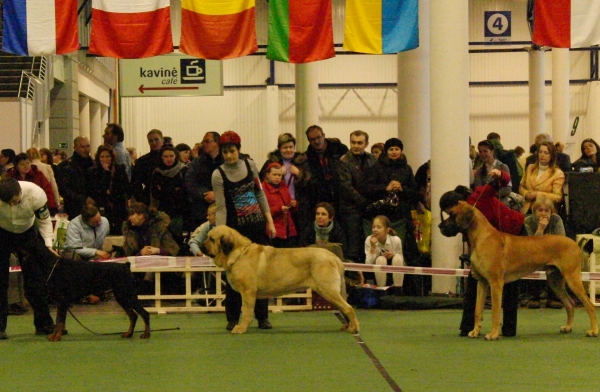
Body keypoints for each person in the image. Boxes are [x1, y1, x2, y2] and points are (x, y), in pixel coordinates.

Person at [440, 169, 523, 337]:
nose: (450, 217)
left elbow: (503, 181)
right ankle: (469, 326)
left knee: (509, 284)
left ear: (459, 203)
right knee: (475, 280)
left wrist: (499, 173)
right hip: (491, 242)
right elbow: (473, 238)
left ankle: (508, 329)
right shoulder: (464, 217)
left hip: (513, 231)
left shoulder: (477, 197)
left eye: (451, 213)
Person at [211, 131, 276, 331]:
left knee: (261, 274)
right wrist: (220, 234)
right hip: (235, 232)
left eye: (232, 151)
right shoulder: (218, 175)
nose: (229, 156)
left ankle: (262, 317)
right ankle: (232, 318)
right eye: (225, 152)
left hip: (257, 228)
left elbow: (259, 193)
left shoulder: (251, 166)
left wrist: (270, 221)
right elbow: (221, 207)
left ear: (239, 149)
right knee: (234, 275)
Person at [0, 178, 60, 339]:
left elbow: (44, 221)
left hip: (27, 233)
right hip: (2, 232)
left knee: (35, 280)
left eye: (14, 201)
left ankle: (44, 324)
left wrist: (48, 245)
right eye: (8, 203)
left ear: (20, 192)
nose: (12, 205)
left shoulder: (36, 194)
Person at [363, 137, 420, 267]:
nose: (394, 152)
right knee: (380, 255)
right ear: (386, 151)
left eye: (397, 149)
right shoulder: (377, 167)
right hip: (383, 214)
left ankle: (401, 285)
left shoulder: (407, 169)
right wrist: (385, 188)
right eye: (391, 149)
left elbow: (415, 193)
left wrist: (402, 188)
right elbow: (367, 188)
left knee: (400, 252)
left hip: (401, 216)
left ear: (401, 151)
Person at [338, 130, 377, 262]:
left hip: (369, 208)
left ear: (366, 144)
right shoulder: (344, 161)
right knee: (353, 248)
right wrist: (365, 202)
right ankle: (353, 279)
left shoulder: (372, 159)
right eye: (353, 142)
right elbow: (346, 188)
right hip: (351, 210)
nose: (356, 146)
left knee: (370, 246)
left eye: (360, 143)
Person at [523, 197, 565, 309]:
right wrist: (540, 229)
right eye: (540, 210)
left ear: (551, 212)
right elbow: (531, 246)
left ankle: (554, 298)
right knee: (531, 262)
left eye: (547, 211)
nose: (544, 213)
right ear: (534, 211)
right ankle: (533, 297)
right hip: (533, 254)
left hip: (553, 254)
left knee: (557, 266)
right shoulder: (528, 221)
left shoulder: (556, 220)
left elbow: (561, 241)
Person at [303, 125, 348, 215]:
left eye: (318, 137)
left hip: (342, 196)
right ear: (308, 141)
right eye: (312, 139)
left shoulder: (340, 149)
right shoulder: (306, 157)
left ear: (323, 135)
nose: (316, 141)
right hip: (321, 198)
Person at [85, 145, 131, 235]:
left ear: (112, 157)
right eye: (102, 157)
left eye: (107, 156)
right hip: (101, 206)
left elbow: (126, 187)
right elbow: (96, 189)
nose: (105, 159)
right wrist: (106, 174)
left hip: (118, 206)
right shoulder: (93, 171)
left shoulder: (119, 169)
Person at [150, 145, 189, 246]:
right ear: (161, 157)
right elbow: (155, 193)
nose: (169, 159)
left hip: (180, 213)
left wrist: (165, 190)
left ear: (176, 156)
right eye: (166, 156)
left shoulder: (183, 170)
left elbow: (185, 192)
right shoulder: (157, 172)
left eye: (171, 156)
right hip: (162, 212)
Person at [185, 132, 223, 232]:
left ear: (217, 143)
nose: (204, 144)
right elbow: (190, 182)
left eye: (207, 141)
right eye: (203, 142)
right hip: (202, 209)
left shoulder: (226, 161)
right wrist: (204, 193)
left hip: (223, 207)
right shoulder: (197, 163)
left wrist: (217, 195)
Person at [519, 141, 565, 215]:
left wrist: (537, 195)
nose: (542, 155)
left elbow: (558, 197)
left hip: (545, 211)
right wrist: (526, 193)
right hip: (527, 209)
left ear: (552, 155)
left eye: (546, 153)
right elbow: (521, 186)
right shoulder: (530, 167)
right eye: (540, 152)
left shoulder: (557, 173)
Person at [365, 215, 405, 295]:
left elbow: (401, 260)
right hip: (377, 268)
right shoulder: (369, 240)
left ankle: (398, 291)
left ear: (387, 230)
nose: (375, 230)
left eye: (379, 227)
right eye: (373, 227)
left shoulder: (396, 240)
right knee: (381, 259)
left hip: (393, 265)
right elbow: (368, 263)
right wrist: (373, 247)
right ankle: (381, 292)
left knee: (397, 258)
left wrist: (393, 255)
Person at [262, 162, 299, 248]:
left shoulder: (283, 187)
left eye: (279, 175)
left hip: (288, 229)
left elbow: (291, 209)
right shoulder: (263, 190)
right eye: (274, 174)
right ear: (267, 175)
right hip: (274, 230)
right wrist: (279, 209)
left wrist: (294, 205)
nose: (277, 177)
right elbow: (262, 212)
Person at [56, 136, 94, 219]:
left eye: (88, 146)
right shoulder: (65, 166)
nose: (86, 149)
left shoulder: (94, 164)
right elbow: (64, 189)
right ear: (75, 148)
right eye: (82, 147)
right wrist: (83, 199)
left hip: (92, 208)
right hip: (73, 209)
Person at [131, 129, 164, 206]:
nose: (154, 143)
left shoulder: (169, 158)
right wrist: (143, 200)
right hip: (149, 199)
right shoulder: (142, 161)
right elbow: (135, 184)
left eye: (156, 139)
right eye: (151, 141)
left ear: (162, 140)